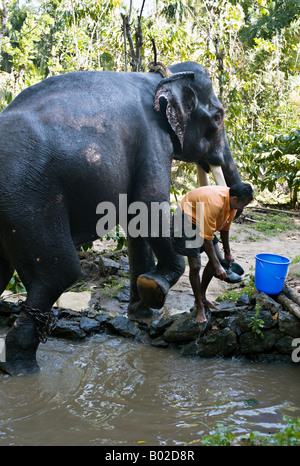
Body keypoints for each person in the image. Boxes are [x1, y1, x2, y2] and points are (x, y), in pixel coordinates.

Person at [172, 183, 253, 323]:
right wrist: (217, 267)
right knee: (196, 266)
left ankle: (202, 298)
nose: (242, 208)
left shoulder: (232, 205)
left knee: (219, 260)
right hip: (186, 220)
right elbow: (207, 238)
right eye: (242, 204)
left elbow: (225, 228)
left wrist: (228, 253)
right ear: (234, 198)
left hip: (201, 221)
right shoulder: (214, 204)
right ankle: (199, 308)